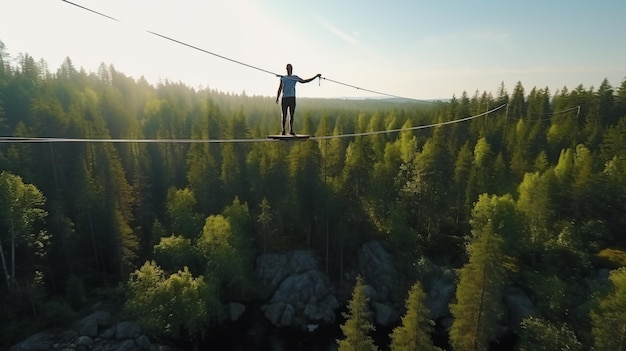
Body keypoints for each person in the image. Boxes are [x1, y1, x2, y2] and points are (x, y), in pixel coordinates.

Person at [276, 64, 321, 135]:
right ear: (286, 69)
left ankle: (291, 130)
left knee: (291, 115)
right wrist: (277, 97)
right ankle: (283, 130)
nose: (289, 70)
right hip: (285, 98)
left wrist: (315, 76)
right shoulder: (283, 78)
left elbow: (305, 81)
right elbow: (280, 88)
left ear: (292, 69)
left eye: (290, 68)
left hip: (292, 98)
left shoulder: (294, 77)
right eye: (288, 69)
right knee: (284, 115)